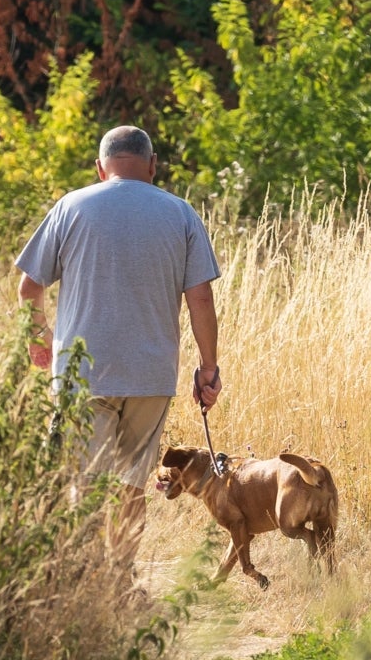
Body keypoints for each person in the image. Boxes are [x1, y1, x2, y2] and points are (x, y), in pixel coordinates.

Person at [13, 125, 222, 508]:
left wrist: (40, 337)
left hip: (83, 373)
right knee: (130, 488)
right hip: (151, 375)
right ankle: (121, 567)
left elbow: (29, 288)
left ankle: (92, 569)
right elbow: (202, 300)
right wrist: (208, 368)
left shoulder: (70, 207)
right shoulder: (181, 213)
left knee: (88, 487)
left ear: (99, 167)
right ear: (153, 165)